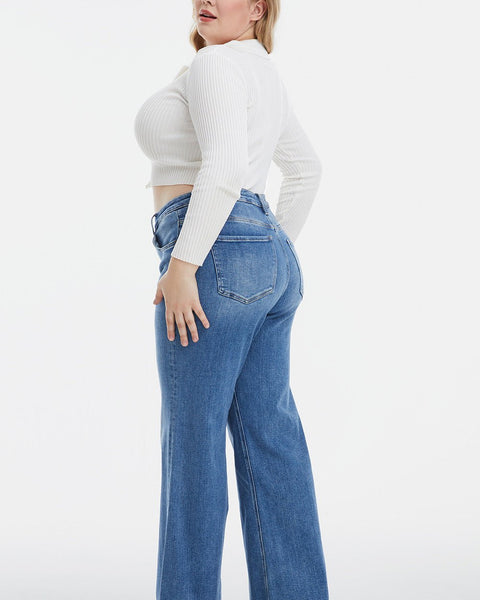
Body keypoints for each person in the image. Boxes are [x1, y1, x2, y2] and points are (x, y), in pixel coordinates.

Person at [134, 1, 330, 598]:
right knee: (271, 440)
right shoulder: (261, 72)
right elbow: (306, 170)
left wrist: (186, 263)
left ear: (257, 9)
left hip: (207, 246)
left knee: (192, 447)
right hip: (264, 255)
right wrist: (259, 253)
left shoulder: (215, 64)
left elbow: (221, 169)